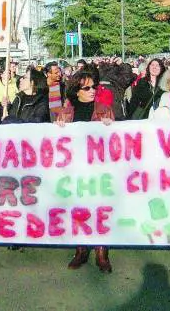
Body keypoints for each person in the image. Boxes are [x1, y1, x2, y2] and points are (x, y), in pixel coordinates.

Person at [58, 71, 114, 273]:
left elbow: (115, 142)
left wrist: (110, 127)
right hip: (75, 170)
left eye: (94, 87)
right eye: (87, 88)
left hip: (98, 169)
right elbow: (56, 142)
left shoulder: (104, 110)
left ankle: (101, 251)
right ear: (76, 91)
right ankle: (81, 250)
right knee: (78, 209)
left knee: (99, 209)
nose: (93, 91)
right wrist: (58, 127)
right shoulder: (65, 113)